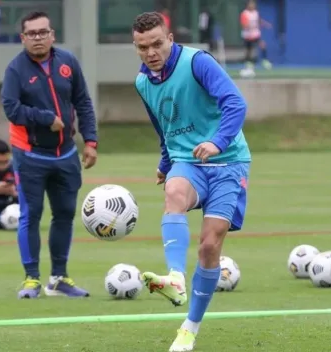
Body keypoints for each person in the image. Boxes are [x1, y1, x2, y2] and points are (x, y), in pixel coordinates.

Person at [132, 12, 251, 351]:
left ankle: (190, 327)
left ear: (169, 39)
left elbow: (235, 104)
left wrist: (217, 142)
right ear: (136, 48)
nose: (152, 52)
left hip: (229, 162)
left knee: (210, 246)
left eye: (157, 44)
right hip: (188, 162)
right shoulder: (142, 83)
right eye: (144, 47)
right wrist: (165, 163)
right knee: (174, 190)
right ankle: (175, 278)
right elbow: (164, 127)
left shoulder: (198, 62)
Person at [1, 11, 98, 299]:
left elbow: (83, 101)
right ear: (23, 38)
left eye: (43, 32)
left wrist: (90, 141)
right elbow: (11, 108)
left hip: (66, 154)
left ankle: (59, 278)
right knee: (31, 215)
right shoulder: (15, 70)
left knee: (65, 214)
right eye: (32, 33)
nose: (38, 38)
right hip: (29, 154)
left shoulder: (68, 62)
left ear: (52, 35)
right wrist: (46, 118)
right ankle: (31, 279)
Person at [240, 0, 272, 70]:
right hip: (247, 35)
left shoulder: (256, 13)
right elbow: (244, 24)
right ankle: (248, 63)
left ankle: (265, 61)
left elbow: (259, 21)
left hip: (255, 34)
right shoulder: (245, 13)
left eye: (253, 4)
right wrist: (248, 25)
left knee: (263, 45)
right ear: (247, 5)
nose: (252, 5)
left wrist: (266, 24)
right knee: (249, 50)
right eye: (251, 4)